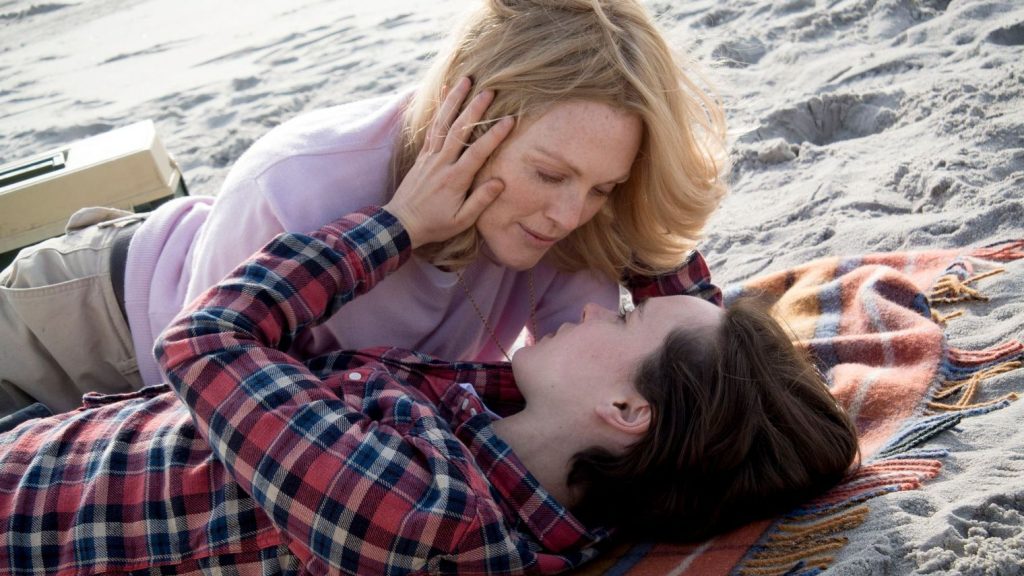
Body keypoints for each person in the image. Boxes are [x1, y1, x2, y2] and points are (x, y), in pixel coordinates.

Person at [0, 165, 858, 575]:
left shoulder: (422, 513)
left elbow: (206, 339)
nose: (603, 306)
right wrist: (612, 165)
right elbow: (686, 304)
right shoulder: (520, 450)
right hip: (59, 432)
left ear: (627, 410)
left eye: (627, 318)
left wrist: (403, 222)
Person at [0, 0, 728, 417]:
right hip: (91, 319)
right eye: (549, 174)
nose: (569, 213)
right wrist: (399, 231)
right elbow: (207, 388)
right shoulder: (297, 183)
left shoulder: (572, 214)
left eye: (603, 187)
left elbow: (608, 379)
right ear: (468, 120)